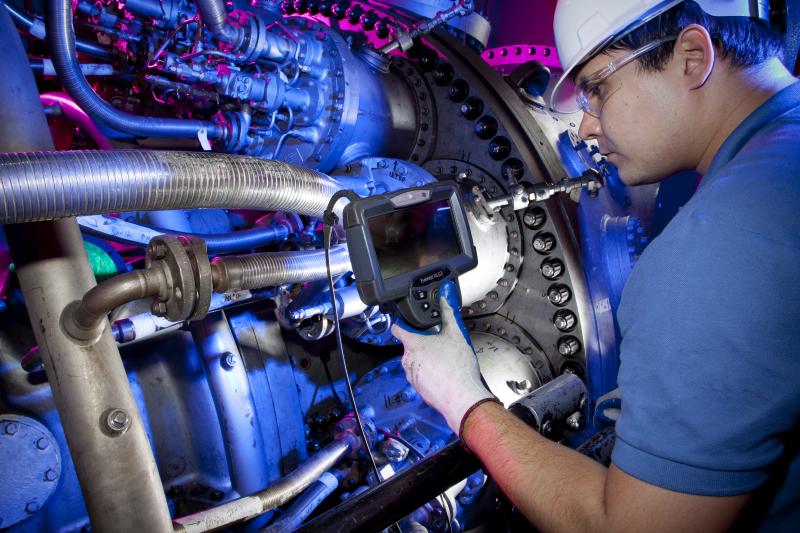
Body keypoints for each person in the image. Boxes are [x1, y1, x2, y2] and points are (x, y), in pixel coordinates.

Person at [392, 0, 800, 530]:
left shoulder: (718, 246)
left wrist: (464, 399)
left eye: (597, 89)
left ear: (693, 56)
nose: (585, 126)